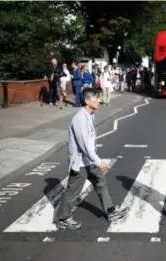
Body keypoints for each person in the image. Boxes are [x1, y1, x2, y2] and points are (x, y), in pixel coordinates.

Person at [55, 88, 128, 230]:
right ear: (87, 101)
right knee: (73, 192)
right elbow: (83, 145)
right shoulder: (79, 119)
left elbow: (89, 142)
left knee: (101, 182)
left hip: (89, 160)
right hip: (81, 162)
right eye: (97, 99)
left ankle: (110, 211)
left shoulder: (90, 114)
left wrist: (95, 160)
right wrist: (98, 161)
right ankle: (63, 218)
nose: (99, 101)